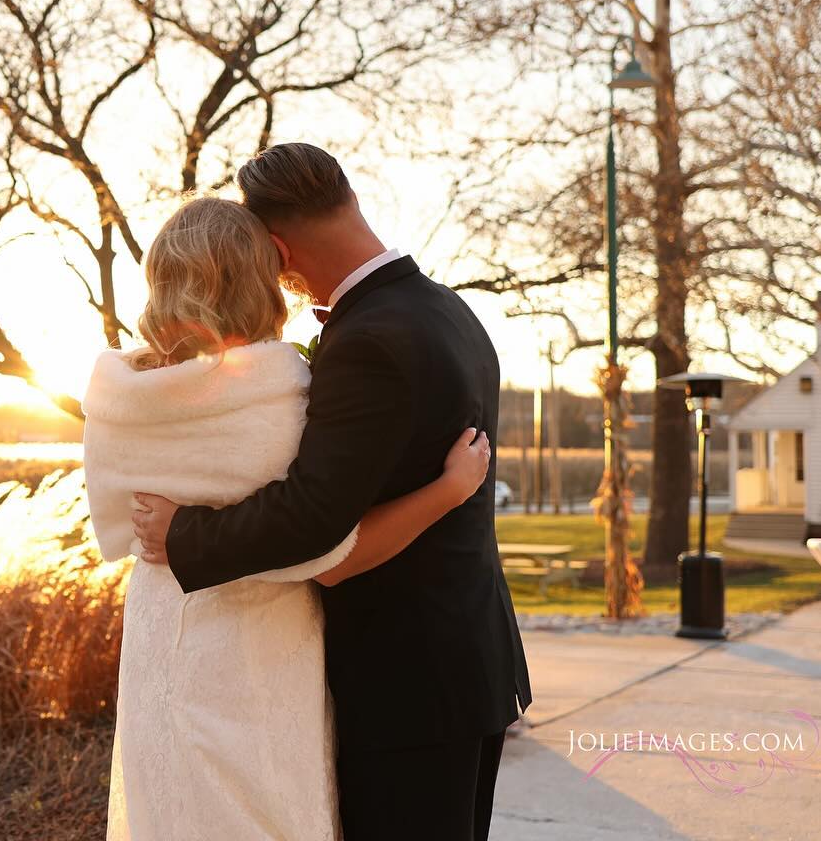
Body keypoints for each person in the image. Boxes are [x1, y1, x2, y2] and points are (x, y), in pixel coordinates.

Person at [131, 144, 532, 841]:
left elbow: (314, 519)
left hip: (405, 688)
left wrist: (184, 535)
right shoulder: (446, 310)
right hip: (468, 665)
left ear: (278, 250)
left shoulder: (369, 340)